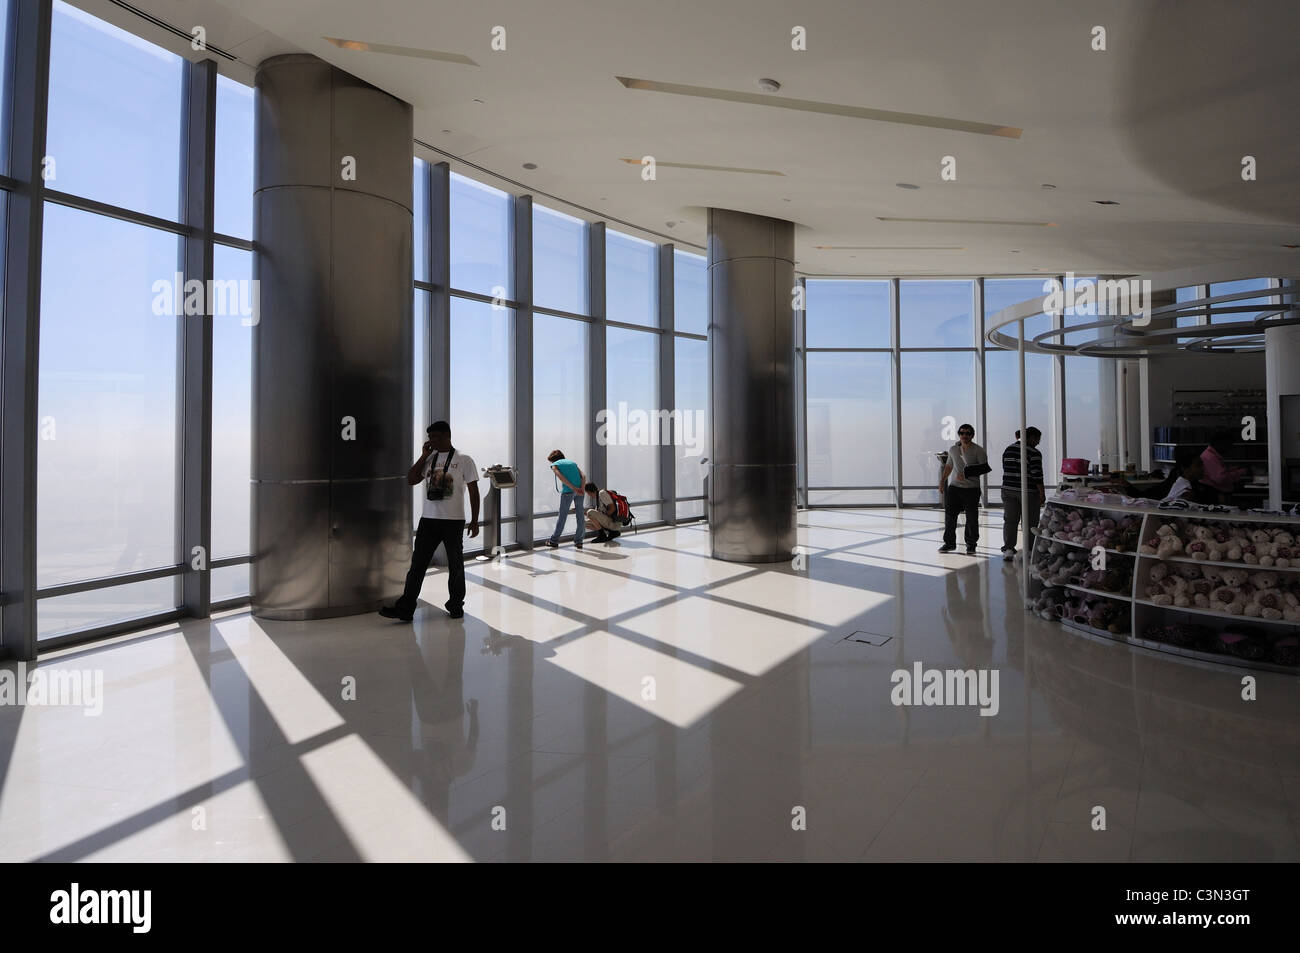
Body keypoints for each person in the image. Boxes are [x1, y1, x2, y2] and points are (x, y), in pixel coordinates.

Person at [380, 421, 480, 622]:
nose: (432, 440)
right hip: (429, 520)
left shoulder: (464, 459)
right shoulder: (430, 458)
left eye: (436, 437)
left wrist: (475, 520)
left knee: (456, 565)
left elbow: (473, 491)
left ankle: (456, 606)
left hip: (453, 521)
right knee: (417, 565)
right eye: (430, 437)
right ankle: (406, 609)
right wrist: (424, 455)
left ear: (447, 436)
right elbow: (411, 479)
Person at [939, 423, 988, 555]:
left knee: (971, 518)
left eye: (967, 433)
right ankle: (949, 543)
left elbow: (984, 468)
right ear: (959, 435)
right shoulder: (953, 449)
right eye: (961, 433)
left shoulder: (979, 450)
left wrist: (967, 473)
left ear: (972, 435)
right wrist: (942, 481)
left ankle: (971, 544)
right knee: (950, 516)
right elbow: (949, 466)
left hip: (971, 489)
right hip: (954, 488)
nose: (964, 435)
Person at [1001, 426, 1045, 561]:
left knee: (1010, 520)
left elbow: (1005, 467)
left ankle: (1008, 549)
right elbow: (1037, 475)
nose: (1038, 442)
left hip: (1008, 489)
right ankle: (1029, 550)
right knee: (1030, 522)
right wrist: (1042, 493)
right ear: (1031, 437)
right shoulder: (1034, 453)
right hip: (1028, 491)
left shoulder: (1008, 449)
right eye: (1037, 439)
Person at [544, 449, 585, 549]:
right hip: (580, 491)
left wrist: (572, 488)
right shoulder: (572, 463)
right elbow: (583, 476)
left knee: (562, 516)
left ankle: (554, 541)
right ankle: (579, 541)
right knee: (580, 516)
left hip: (568, 491)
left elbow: (560, 477)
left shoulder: (555, 465)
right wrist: (581, 489)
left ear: (553, 460)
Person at [1200, 430, 1248, 501]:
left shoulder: (1212, 456)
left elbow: (1220, 473)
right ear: (1220, 443)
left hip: (1217, 493)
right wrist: (1241, 472)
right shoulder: (1210, 457)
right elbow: (1221, 478)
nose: (1229, 448)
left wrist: (1235, 469)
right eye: (1228, 445)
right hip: (1215, 495)